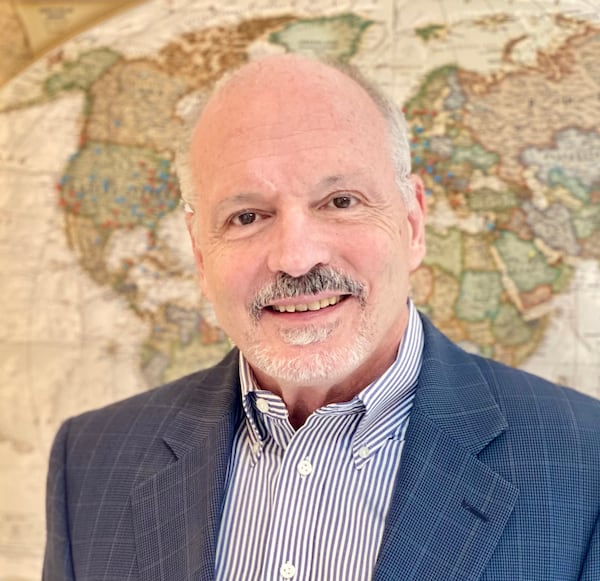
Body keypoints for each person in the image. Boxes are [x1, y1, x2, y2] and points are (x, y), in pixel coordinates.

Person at [43, 54, 600, 581]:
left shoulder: (585, 464)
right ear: (200, 254)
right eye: (247, 216)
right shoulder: (91, 463)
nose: (295, 257)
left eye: (340, 201)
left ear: (412, 224)